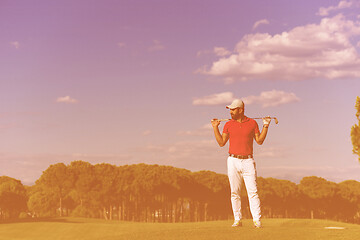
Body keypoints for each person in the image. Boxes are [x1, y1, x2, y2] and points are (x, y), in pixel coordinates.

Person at [211, 99, 271, 228]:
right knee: (235, 192)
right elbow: (221, 143)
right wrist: (215, 128)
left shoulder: (252, 123)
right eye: (230, 110)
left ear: (241, 110)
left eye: (233, 109)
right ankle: (237, 219)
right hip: (232, 160)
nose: (231, 112)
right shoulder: (228, 124)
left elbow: (259, 141)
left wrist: (266, 126)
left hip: (248, 161)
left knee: (253, 192)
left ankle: (257, 220)